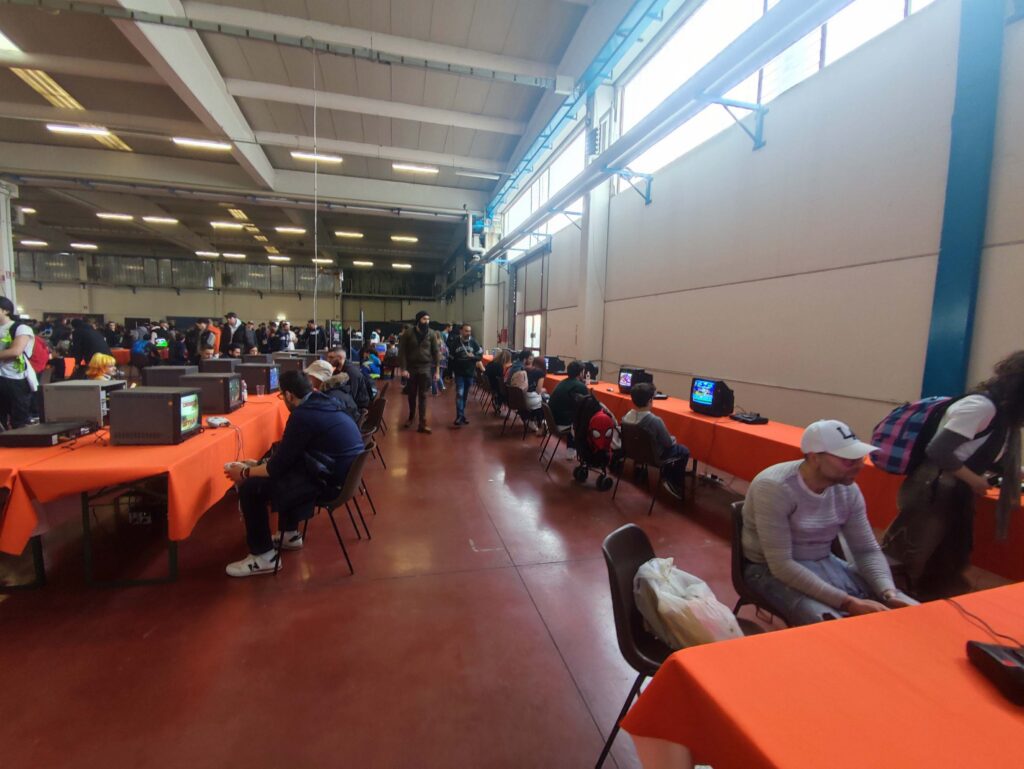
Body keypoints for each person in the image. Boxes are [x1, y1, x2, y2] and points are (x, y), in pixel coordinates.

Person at [742, 419, 915, 626]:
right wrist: (848, 602)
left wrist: (888, 592)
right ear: (815, 457)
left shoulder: (847, 490)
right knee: (829, 622)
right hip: (767, 569)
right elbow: (781, 565)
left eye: (860, 458)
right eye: (848, 461)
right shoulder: (774, 488)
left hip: (822, 561)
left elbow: (866, 550)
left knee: (906, 609)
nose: (859, 466)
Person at [883, 350, 1024, 598]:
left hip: (951, 492)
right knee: (908, 555)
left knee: (943, 558)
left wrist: (1015, 473)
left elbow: (984, 453)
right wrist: (975, 480)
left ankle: (922, 601)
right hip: (933, 490)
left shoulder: (1001, 414)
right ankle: (885, 601)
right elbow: (939, 450)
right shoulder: (981, 407)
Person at [223, 370, 364, 577]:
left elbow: (276, 468)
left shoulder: (302, 416)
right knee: (287, 471)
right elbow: (289, 457)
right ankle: (289, 534)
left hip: (330, 484)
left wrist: (245, 472)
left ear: (289, 395)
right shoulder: (324, 401)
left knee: (251, 488)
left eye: (282, 395)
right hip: (343, 476)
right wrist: (260, 464)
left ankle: (263, 557)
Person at [623, 383, 690, 498]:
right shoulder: (655, 421)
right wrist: (673, 439)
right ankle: (672, 481)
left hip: (633, 453)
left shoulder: (626, 416)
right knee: (683, 450)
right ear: (650, 400)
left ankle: (666, 476)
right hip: (654, 458)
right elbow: (668, 444)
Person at [397, 310, 440, 433]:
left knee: (423, 395)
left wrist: (437, 370)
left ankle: (422, 422)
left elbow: (436, 352)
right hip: (411, 368)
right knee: (411, 394)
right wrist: (403, 369)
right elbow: (402, 352)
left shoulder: (431, 334)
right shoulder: (408, 333)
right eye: (424, 319)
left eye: (428, 319)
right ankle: (411, 417)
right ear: (418, 320)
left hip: (425, 367)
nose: (427, 321)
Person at [0, 297, 38, 428]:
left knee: (19, 420)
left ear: (6, 311)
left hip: (15, 377)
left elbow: (15, 351)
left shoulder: (20, 328)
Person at [549, 360, 589, 458]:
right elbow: (586, 405)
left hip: (552, 421)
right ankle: (576, 449)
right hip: (562, 423)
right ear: (581, 373)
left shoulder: (562, 383)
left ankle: (572, 447)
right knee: (586, 418)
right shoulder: (580, 386)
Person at [449, 323, 483, 426]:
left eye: (469, 331)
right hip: (459, 373)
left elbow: (480, 356)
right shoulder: (455, 342)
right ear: (461, 331)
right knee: (459, 393)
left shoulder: (474, 342)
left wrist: (473, 357)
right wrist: (450, 372)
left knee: (464, 395)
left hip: (469, 373)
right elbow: (450, 359)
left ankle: (462, 415)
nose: (468, 333)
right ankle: (459, 416)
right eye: (466, 331)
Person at [484, 349, 511, 413]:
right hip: (495, 386)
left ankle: (497, 402)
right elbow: (500, 379)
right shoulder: (499, 366)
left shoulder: (491, 363)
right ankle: (500, 403)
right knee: (509, 389)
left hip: (489, 384)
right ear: (507, 359)